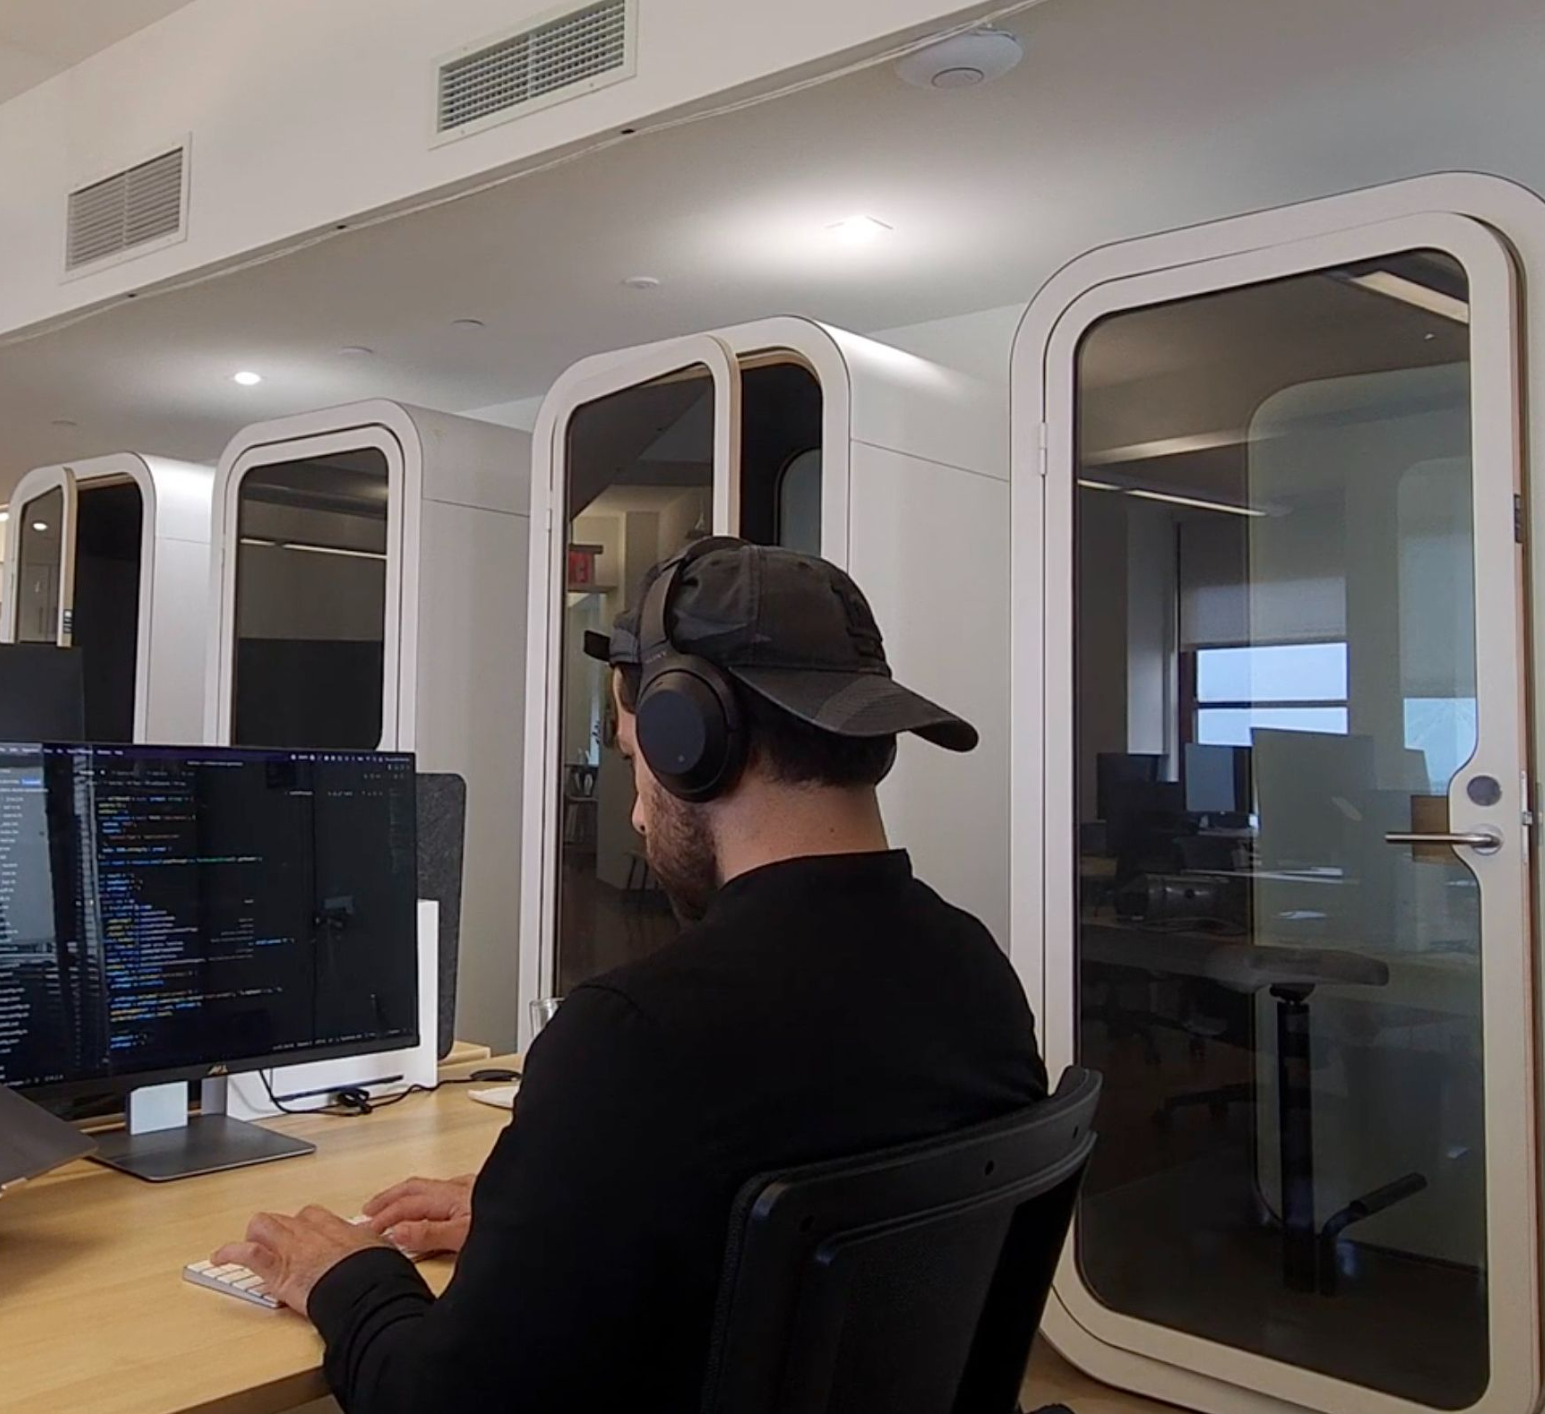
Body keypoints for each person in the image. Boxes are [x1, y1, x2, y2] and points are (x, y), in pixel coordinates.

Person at [215, 538, 1047, 1412]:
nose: (639, 813)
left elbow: (440, 1401)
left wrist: (349, 1275)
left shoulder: (634, 1035)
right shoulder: (978, 977)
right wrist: (554, 1221)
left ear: (692, 738)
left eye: (631, 759)